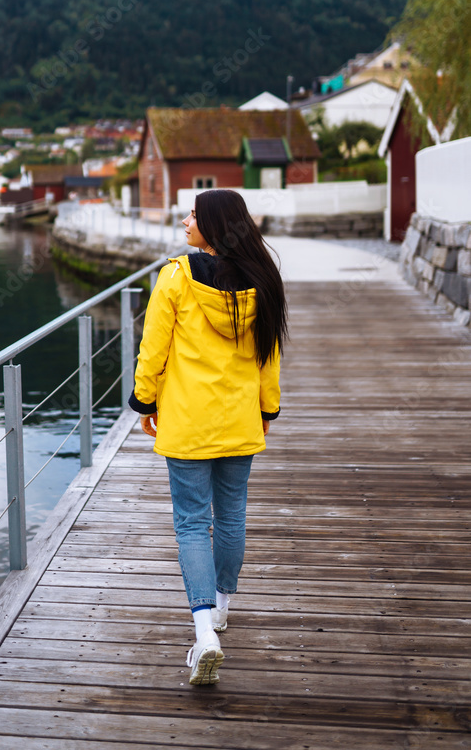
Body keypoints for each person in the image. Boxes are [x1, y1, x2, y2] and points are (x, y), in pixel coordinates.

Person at [129, 189, 287, 685]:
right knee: (232, 514)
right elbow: (269, 356)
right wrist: (267, 408)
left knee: (193, 523)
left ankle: (204, 634)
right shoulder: (262, 280)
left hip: (188, 422)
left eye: (194, 214)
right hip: (239, 420)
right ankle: (221, 609)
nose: (185, 220)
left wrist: (144, 401)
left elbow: (153, 348)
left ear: (215, 225)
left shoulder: (175, 276)